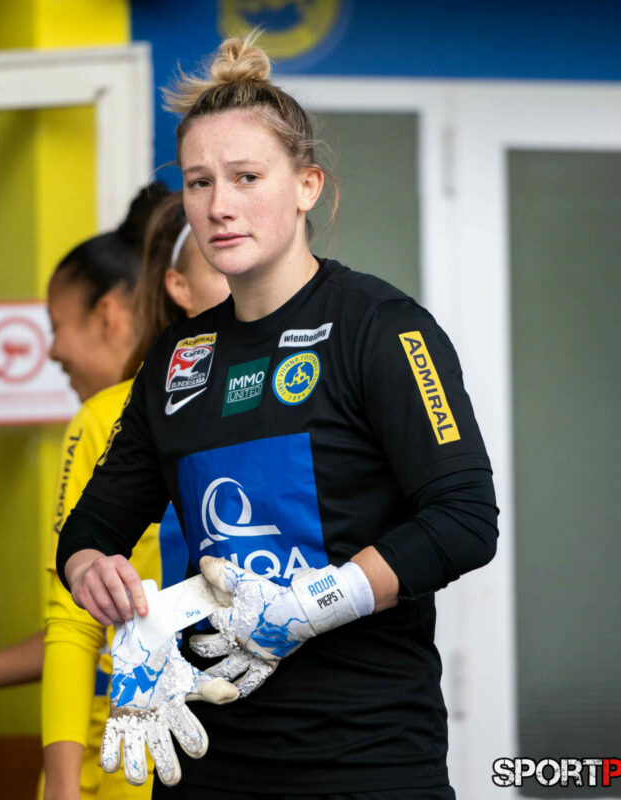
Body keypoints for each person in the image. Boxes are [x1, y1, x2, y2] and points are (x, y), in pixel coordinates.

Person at [57, 34, 499, 800]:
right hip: (206, 755)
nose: (219, 205)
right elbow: (90, 530)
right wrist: (104, 586)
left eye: (246, 177)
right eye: (199, 182)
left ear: (306, 186)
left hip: (368, 756)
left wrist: (311, 607)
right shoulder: (176, 360)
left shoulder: (381, 328)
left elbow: (464, 519)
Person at [0, 189, 229, 800]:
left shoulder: (282, 404)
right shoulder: (108, 418)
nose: (52, 348)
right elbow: (76, 616)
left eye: (55, 325)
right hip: (118, 757)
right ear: (176, 285)